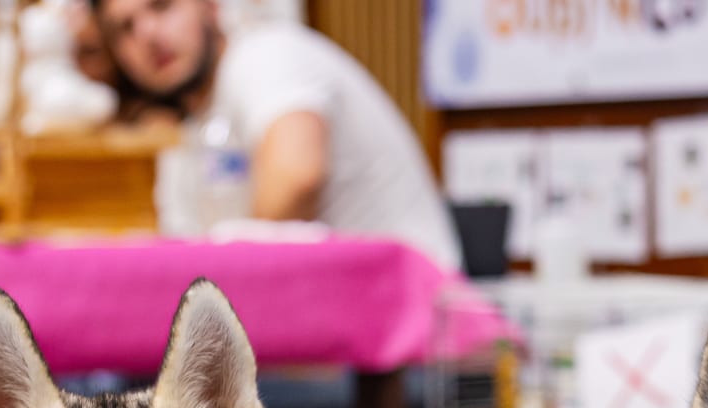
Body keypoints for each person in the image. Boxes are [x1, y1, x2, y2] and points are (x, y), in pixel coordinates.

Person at [92, 0, 461, 270]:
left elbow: (297, 178)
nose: (148, 35)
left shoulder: (265, 54)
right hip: (334, 345)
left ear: (210, 6)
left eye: (161, 6)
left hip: (417, 337)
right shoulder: (187, 133)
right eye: (124, 29)